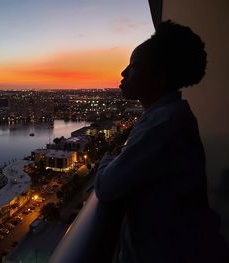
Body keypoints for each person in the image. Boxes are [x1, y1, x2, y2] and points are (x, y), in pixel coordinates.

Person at [94, 20, 229, 263]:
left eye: (133, 67)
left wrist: (108, 158)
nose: (123, 73)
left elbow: (106, 187)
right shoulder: (170, 116)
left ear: (158, 78)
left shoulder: (164, 123)